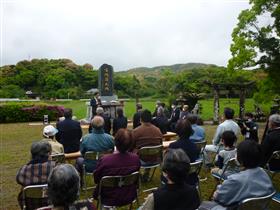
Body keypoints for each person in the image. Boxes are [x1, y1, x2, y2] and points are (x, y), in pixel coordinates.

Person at [207, 140, 274, 209]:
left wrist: (217, 194)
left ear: (240, 158)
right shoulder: (264, 173)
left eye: (237, 152)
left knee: (205, 205)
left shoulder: (235, 179)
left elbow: (220, 198)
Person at [93, 129, 141, 207]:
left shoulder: (105, 160)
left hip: (108, 197)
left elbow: (96, 179)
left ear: (115, 142)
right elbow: (97, 179)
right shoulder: (135, 159)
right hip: (127, 195)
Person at [16, 141, 56, 209]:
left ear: (32, 155)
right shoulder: (56, 167)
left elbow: (19, 179)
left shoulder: (24, 170)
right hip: (53, 205)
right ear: (49, 153)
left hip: (32, 206)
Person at [76, 116, 114, 181]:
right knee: (79, 160)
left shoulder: (85, 138)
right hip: (105, 165)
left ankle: (80, 182)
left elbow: (82, 153)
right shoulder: (110, 138)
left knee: (78, 160)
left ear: (92, 125)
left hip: (91, 166)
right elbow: (112, 151)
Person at [168, 119, 199, 185]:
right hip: (191, 177)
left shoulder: (173, 146)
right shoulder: (194, 146)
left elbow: (169, 164)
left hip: (177, 179)